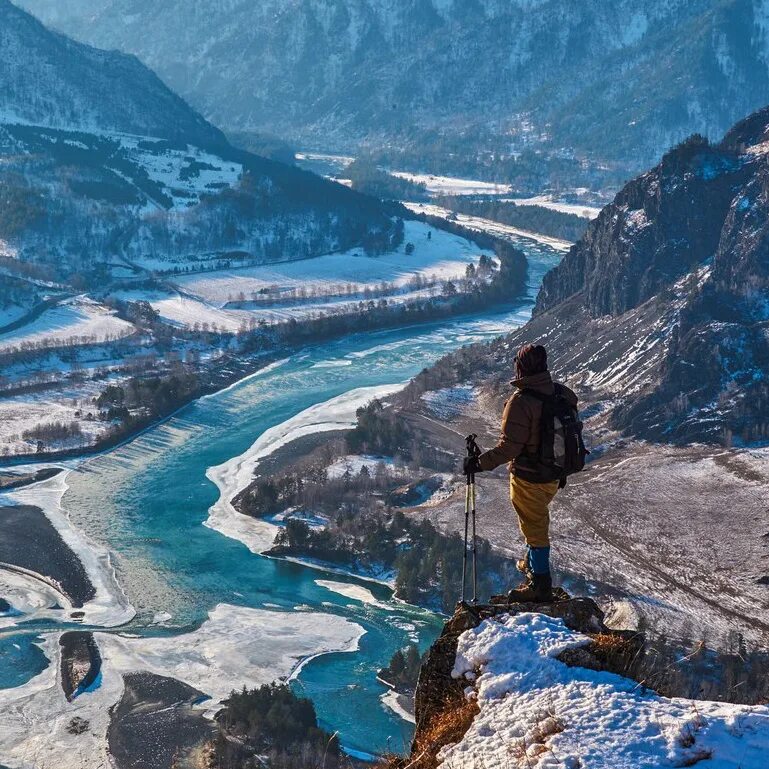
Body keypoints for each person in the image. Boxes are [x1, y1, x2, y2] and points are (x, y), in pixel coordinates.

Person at [464, 343, 578, 602]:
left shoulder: (521, 401)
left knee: (535, 528)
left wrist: (478, 463)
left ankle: (540, 585)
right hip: (554, 475)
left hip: (529, 477)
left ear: (521, 367)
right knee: (534, 522)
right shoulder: (562, 394)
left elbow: (509, 448)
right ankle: (531, 569)